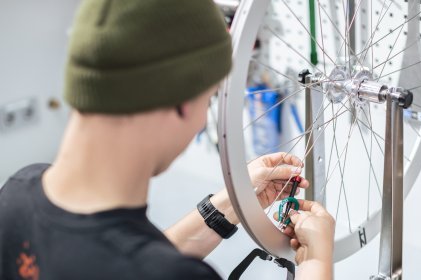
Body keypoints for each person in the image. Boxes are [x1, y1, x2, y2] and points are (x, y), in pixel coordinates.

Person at [0, 1, 335, 279]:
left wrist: (228, 206)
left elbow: (121, 259)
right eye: (209, 99)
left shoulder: (16, 192)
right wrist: (317, 263)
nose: (204, 119)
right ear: (180, 102)